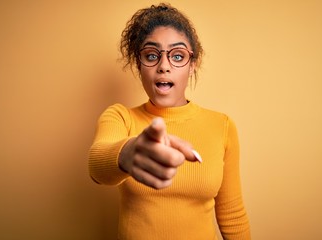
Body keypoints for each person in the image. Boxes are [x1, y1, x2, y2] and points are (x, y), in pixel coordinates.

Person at [89, 3, 251, 240]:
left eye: (177, 56)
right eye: (151, 55)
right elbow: (96, 166)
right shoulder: (120, 117)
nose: (164, 66)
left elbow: (232, 214)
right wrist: (129, 153)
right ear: (138, 63)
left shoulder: (222, 126)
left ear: (192, 64)